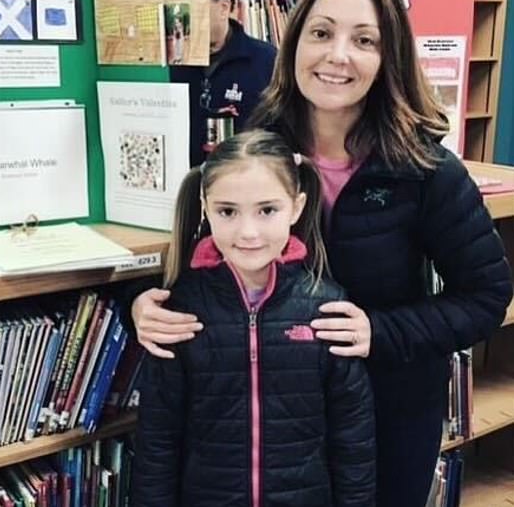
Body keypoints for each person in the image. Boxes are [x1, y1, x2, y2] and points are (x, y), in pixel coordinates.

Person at [130, 0, 512, 507]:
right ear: (295, 44)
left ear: (388, 58)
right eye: (321, 32)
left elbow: (487, 296)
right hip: (278, 422)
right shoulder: (257, 144)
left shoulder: (427, 169)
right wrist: (141, 303)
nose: (337, 55)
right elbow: (203, 245)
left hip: (388, 411)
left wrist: (380, 332)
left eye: (364, 40)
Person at [131, 130, 375, 507]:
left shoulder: (327, 308)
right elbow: (157, 440)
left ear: (296, 207)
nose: (248, 232)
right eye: (227, 211)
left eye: (267, 210)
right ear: (205, 206)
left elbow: (353, 438)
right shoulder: (179, 313)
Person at [175, 0, 277, 166]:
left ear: (224, 8)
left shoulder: (267, 61)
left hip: (243, 186)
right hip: (183, 187)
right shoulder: (170, 62)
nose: (183, 16)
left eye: (193, 5)